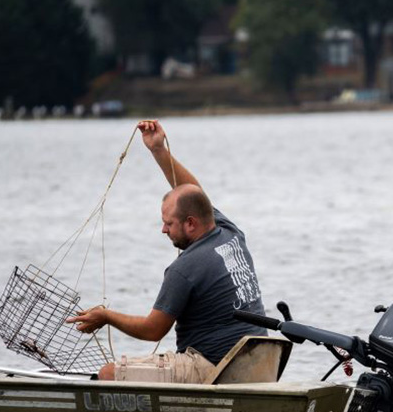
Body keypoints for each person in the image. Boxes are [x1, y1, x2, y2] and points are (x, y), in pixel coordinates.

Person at [66, 120, 267, 382]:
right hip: (257, 362)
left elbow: (153, 330)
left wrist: (106, 316)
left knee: (107, 374)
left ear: (191, 223)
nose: (163, 230)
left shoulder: (185, 268)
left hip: (213, 367)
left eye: (168, 223)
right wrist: (158, 150)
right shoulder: (230, 234)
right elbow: (195, 195)